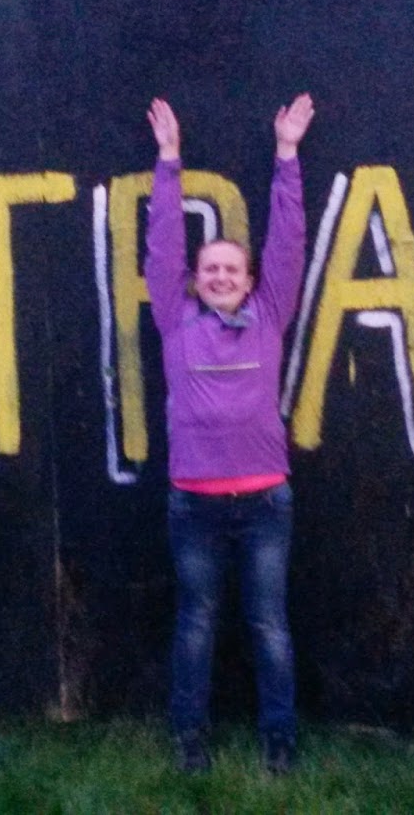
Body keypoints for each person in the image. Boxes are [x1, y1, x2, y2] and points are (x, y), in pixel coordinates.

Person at [144, 94, 315, 775]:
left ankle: (280, 737)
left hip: (266, 502)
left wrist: (287, 155)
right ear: (195, 278)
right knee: (196, 623)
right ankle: (190, 735)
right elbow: (162, 243)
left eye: (231, 269)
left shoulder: (270, 313)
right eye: (209, 268)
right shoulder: (175, 318)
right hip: (194, 503)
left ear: (250, 282)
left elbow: (288, 242)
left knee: (269, 624)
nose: (219, 276)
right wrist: (168, 161)